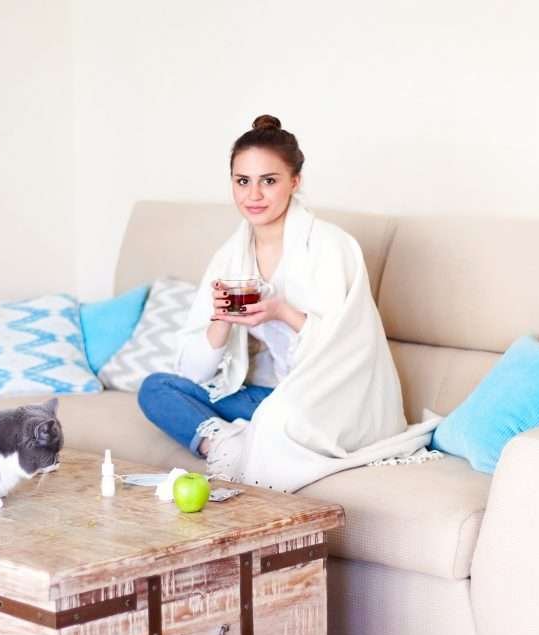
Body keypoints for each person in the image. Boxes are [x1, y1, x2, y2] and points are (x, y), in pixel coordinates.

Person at [138, 114, 431, 490]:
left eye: (269, 181)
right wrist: (221, 319)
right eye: (242, 181)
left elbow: (348, 349)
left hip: (324, 400)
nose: (253, 195)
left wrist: (281, 312)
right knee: (156, 389)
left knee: (280, 417)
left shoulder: (331, 247)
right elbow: (194, 373)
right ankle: (224, 444)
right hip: (263, 397)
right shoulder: (230, 257)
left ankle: (257, 437)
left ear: (295, 181)